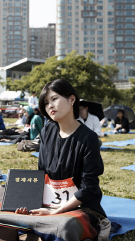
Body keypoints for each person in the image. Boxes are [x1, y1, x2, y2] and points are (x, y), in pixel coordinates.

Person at [14, 79, 106, 223]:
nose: (50, 105)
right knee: (6, 196)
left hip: (80, 207)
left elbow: (88, 188)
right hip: (48, 202)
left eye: (54, 99)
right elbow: (42, 173)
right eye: (45, 102)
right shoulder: (47, 131)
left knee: (65, 227)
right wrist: (30, 202)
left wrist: (56, 211)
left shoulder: (89, 138)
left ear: (72, 100)